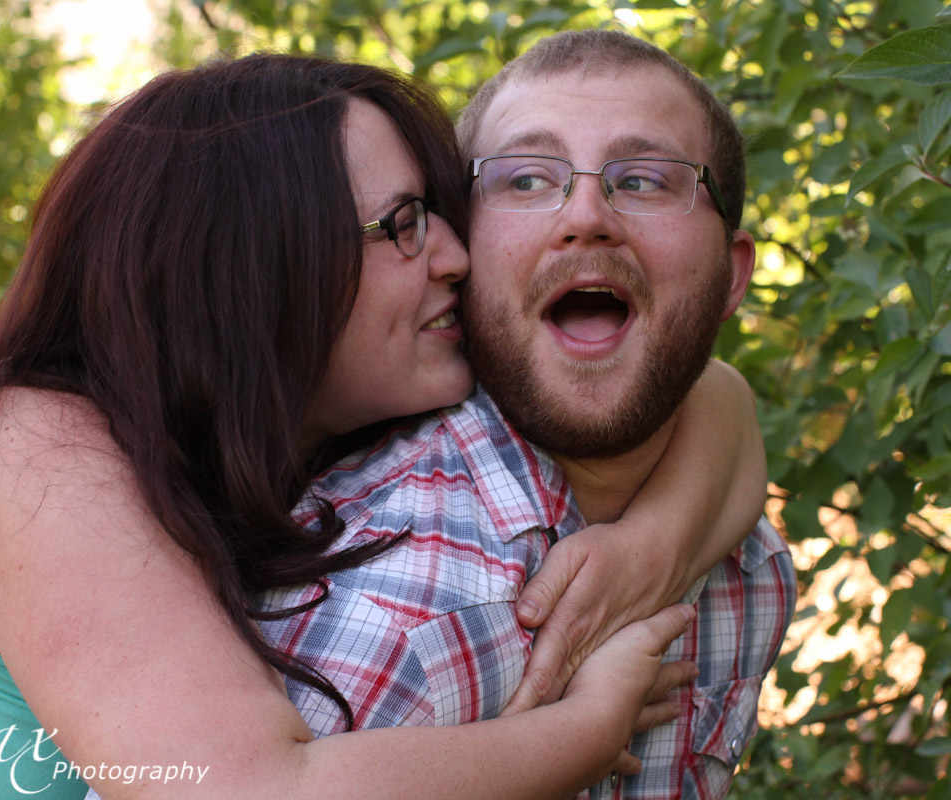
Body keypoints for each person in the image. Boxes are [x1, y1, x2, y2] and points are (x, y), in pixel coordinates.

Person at [0, 54, 762, 800]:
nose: (456, 258)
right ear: (253, 262)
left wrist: (653, 545)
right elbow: (243, 792)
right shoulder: (27, 450)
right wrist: (587, 728)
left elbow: (713, 390)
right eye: (405, 225)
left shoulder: (278, 448)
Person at [263, 29, 798, 799]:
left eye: (646, 179)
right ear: (461, 251)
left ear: (731, 276)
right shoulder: (390, 616)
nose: (587, 215)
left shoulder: (752, 571)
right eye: (523, 179)